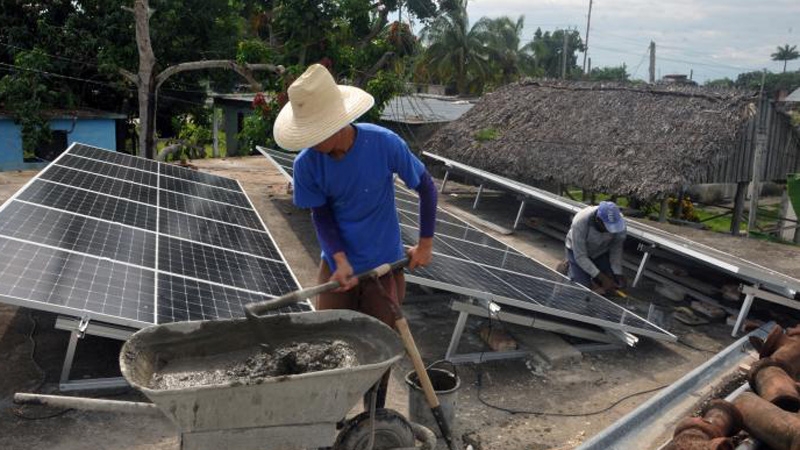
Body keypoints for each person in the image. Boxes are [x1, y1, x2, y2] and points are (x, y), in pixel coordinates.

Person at [272, 63, 437, 409]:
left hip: (384, 268)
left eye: (317, 133)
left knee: (378, 353)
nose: (313, 143)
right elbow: (321, 213)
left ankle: (373, 419)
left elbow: (426, 187)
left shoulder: (383, 144)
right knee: (329, 347)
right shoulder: (307, 164)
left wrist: (425, 244)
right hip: (338, 270)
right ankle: (331, 420)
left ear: (337, 122)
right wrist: (339, 259)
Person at [564, 201, 627, 294]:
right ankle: (567, 266)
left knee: (613, 284)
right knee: (581, 289)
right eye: (608, 227)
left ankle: (594, 279)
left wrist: (617, 273)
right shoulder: (581, 221)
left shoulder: (619, 222)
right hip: (577, 252)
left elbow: (616, 249)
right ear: (598, 220)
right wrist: (602, 278)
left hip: (600, 252)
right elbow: (581, 256)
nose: (610, 231)